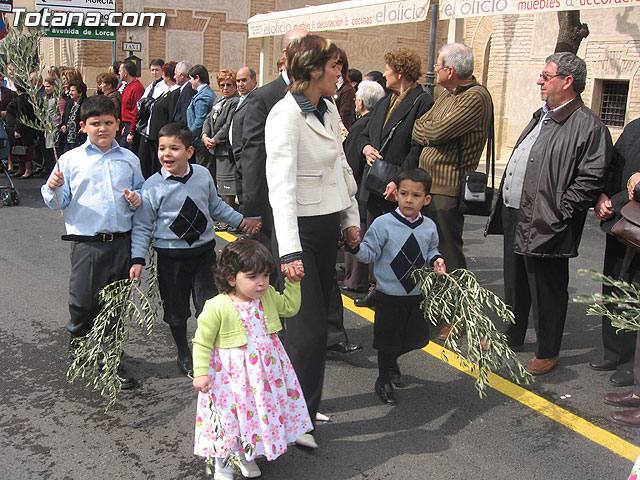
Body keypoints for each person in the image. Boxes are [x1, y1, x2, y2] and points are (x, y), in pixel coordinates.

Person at [486, 52, 613, 375]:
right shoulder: (541, 115)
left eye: (546, 75)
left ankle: (547, 350)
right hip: (518, 211)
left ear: (568, 82)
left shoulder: (588, 126)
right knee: (516, 281)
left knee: (546, 288)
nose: (539, 80)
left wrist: (560, 213)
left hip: (548, 219)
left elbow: (591, 178)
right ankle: (513, 334)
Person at [265, 34, 361, 447]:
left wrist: (350, 219)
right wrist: (288, 251)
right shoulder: (285, 115)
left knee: (317, 326)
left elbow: (339, 167)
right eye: (334, 65)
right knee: (305, 331)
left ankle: (301, 407)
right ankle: (293, 416)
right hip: (298, 232)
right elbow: (280, 187)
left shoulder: (325, 108)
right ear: (313, 71)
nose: (340, 71)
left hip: (325, 227)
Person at [130, 123, 260, 377]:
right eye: (162, 148)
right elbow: (143, 226)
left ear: (189, 152)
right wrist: (136, 258)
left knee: (209, 306)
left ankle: (207, 350)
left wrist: (242, 222)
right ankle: (183, 352)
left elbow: (216, 207)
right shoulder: (152, 186)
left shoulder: (202, 175)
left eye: (174, 148)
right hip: (171, 258)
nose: (166, 154)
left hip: (204, 256)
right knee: (176, 311)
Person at [40, 95, 145, 388]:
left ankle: (110, 357)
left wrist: (139, 199)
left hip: (120, 244)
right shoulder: (70, 160)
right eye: (95, 123)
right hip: (86, 244)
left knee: (115, 305)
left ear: (117, 124)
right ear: (84, 126)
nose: (103, 128)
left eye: (108, 123)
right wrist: (52, 187)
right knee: (83, 301)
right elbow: (57, 201)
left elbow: (141, 195)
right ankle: (80, 344)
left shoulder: (129, 159)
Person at [192, 239, 313, 480]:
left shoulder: (267, 297)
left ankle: (247, 455)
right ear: (230, 278)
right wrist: (201, 373)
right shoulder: (217, 307)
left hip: (263, 378)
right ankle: (223, 466)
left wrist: (294, 283)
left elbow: (289, 307)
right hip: (231, 379)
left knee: (255, 415)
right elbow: (202, 342)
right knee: (228, 420)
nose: (261, 283)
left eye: (266, 276)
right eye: (253, 277)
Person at [411, 42, 493, 340]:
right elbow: (420, 127)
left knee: (448, 251)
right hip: (429, 184)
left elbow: (434, 132)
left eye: (437, 64)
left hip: (449, 188)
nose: (434, 69)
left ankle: (460, 314)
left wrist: (430, 129)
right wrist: (429, 129)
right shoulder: (447, 95)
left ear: (450, 70)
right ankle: (437, 307)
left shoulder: (476, 97)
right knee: (429, 250)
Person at [347, 168, 446, 405]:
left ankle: (392, 360)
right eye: (404, 194)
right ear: (396, 195)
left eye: (416, 195)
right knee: (386, 341)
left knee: (416, 340)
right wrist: (355, 247)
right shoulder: (383, 224)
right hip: (388, 295)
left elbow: (431, 249)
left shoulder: (429, 226)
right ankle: (383, 380)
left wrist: (436, 259)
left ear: (427, 199)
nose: (409, 200)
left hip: (415, 294)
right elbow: (369, 252)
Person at [354, 48, 434, 307]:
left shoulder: (421, 101)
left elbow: (416, 147)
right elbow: (366, 132)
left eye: (388, 69)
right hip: (374, 180)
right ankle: (374, 286)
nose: (385, 73)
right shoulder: (385, 100)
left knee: (396, 240)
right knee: (374, 234)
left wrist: (399, 181)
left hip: (396, 184)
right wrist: (365, 148)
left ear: (400, 72)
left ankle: (392, 288)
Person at [240, 28, 308, 253]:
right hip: (273, 204)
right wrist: (252, 208)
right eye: (306, 48)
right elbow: (253, 155)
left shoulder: (320, 97)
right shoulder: (264, 97)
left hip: (310, 205)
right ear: (287, 53)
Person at [590, 118, 640, 388]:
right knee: (612, 288)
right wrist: (601, 196)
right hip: (621, 224)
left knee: (633, 295)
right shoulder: (634, 127)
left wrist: (616, 202)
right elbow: (613, 166)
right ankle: (613, 351)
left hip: (635, 224)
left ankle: (630, 363)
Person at [342, 80, 386, 294]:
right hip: (372, 188)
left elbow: (349, 162)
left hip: (360, 189)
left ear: (360, 102)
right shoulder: (377, 123)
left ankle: (356, 280)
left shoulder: (361, 126)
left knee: (357, 231)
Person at [202, 69, 240, 221]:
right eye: (222, 85)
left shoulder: (235, 102)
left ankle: (229, 218)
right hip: (213, 149)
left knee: (228, 186)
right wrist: (205, 136)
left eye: (229, 85)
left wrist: (215, 140)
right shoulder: (218, 100)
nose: (225, 88)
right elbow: (207, 119)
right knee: (218, 183)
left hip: (225, 149)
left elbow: (228, 124)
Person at [229, 66, 257, 207]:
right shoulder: (239, 99)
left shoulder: (255, 100)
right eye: (238, 81)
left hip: (247, 154)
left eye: (244, 80)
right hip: (237, 153)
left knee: (247, 191)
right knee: (240, 189)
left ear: (254, 80)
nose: (240, 84)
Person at [146, 62, 180, 175]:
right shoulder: (167, 91)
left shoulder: (175, 92)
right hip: (154, 134)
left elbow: (171, 115)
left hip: (162, 134)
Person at [186, 64, 216, 175]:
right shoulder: (204, 94)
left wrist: (187, 136)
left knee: (201, 174)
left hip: (201, 143)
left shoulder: (203, 96)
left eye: (191, 78)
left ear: (197, 78)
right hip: (199, 141)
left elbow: (200, 121)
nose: (189, 82)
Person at [6, 83, 37, 178]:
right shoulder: (29, 98)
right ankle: (21, 168)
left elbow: (21, 114)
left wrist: (18, 129)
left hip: (23, 129)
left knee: (25, 149)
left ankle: (28, 170)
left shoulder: (20, 99)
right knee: (20, 149)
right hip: (25, 128)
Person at [119, 61, 145, 149]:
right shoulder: (128, 87)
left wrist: (131, 131)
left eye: (120, 71)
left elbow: (136, 111)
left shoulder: (137, 88)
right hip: (127, 125)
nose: (119, 73)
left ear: (126, 73)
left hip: (132, 126)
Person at [59, 80, 88, 152]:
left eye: (73, 91)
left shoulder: (85, 103)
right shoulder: (69, 102)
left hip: (79, 136)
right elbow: (65, 117)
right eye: (70, 90)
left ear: (80, 92)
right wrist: (64, 125)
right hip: (68, 137)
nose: (70, 93)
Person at [42, 77, 60, 174]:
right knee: (50, 149)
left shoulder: (58, 98)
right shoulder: (47, 97)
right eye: (45, 87)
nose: (46, 88)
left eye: (48, 86)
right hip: (49, 125)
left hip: (55, 124)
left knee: (55, 148)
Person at [334, 48, 355, 131]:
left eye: (339, 62)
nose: (336, 66)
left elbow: (345, 118)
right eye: (333, 63)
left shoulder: (347, 89)